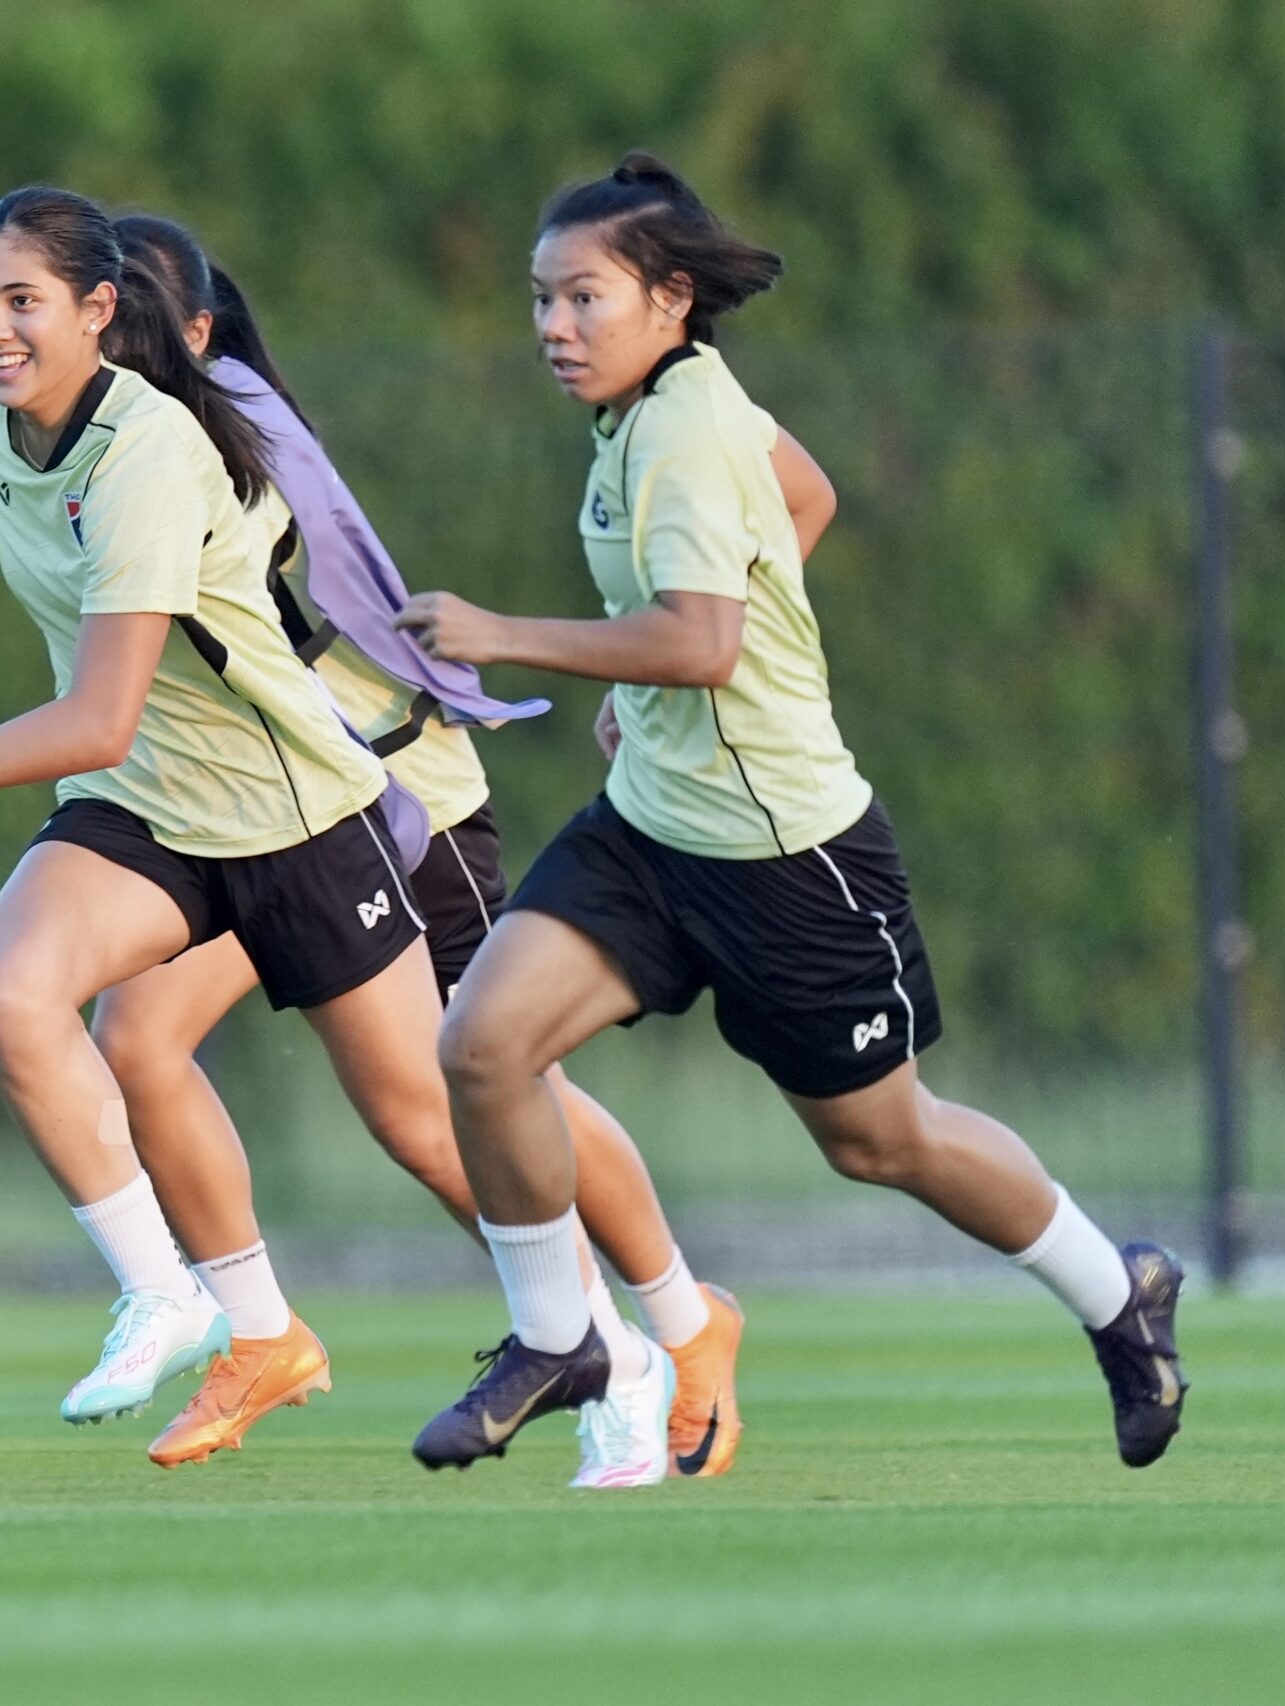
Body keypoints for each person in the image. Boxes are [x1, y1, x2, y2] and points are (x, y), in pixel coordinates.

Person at [391, 154, 1186, 1473]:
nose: (553, 327)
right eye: (540, 299)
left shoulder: (687, 426)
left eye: (583, 298)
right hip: (651, 830)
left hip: (788, 856)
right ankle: (558, 1335)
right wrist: (647, 684)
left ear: (669, 298)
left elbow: (703, 643)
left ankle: (1120, 1293)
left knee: (885, 1140)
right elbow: (806, 497)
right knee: (482, 1042)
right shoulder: (664, 407)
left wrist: (506, 634)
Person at [82, 211, 856, 1481]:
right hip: (261, 806)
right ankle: (272, 1331)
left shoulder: (215, 426)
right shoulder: (111, 439)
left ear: (193, 332)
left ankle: (647, 1333)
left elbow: (801, 496)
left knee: (453, 1099)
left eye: (117, 318)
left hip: (391, 797)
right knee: (141, 1034)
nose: (94, 342)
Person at [0, 184, 495, 1444]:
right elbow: (111, 723)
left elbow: (97, 713)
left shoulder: (153, 446)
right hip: (147, 803)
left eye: (22, 301)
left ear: (100, 311)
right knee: (17, 995)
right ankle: (186, 1301)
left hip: (288, 810)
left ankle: (619, 1326)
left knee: (427, 1117)